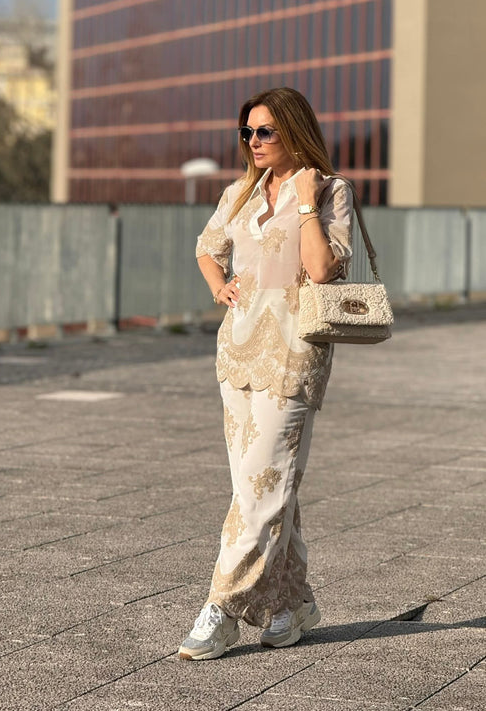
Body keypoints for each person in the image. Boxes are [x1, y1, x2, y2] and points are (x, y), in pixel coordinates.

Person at [178, 87, 353, 660]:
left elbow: (322, 270)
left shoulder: (330, 191)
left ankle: (223, 608)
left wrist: (306, 204)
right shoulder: (238, 192)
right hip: (237, 355)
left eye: (265, 131)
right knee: (264, 488)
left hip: (294, 356)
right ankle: (291, 604)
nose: (253, 141)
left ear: (295, 131)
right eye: (247, 132)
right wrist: (219, 286)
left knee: (262, 488)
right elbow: (207, 247)